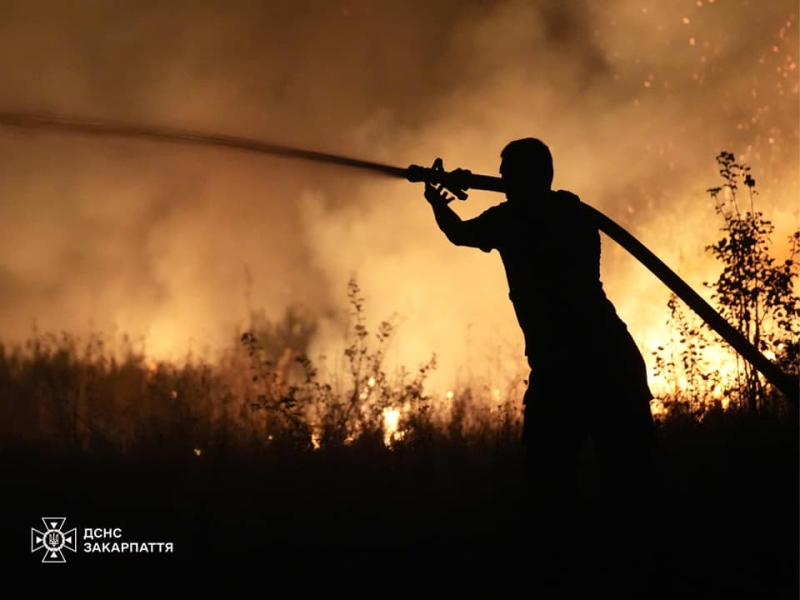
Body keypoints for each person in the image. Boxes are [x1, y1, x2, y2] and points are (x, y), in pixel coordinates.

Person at [423, 139, 657, 580]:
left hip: (565, 368)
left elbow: (461, 234)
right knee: (627, 481)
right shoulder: (573, 213)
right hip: (612, 359)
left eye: (507, 171)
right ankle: (632, 567)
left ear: (520, 178)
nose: (503, 180)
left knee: (554, 484)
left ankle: (566, 569)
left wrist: (438, 199)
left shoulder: (513, 218)